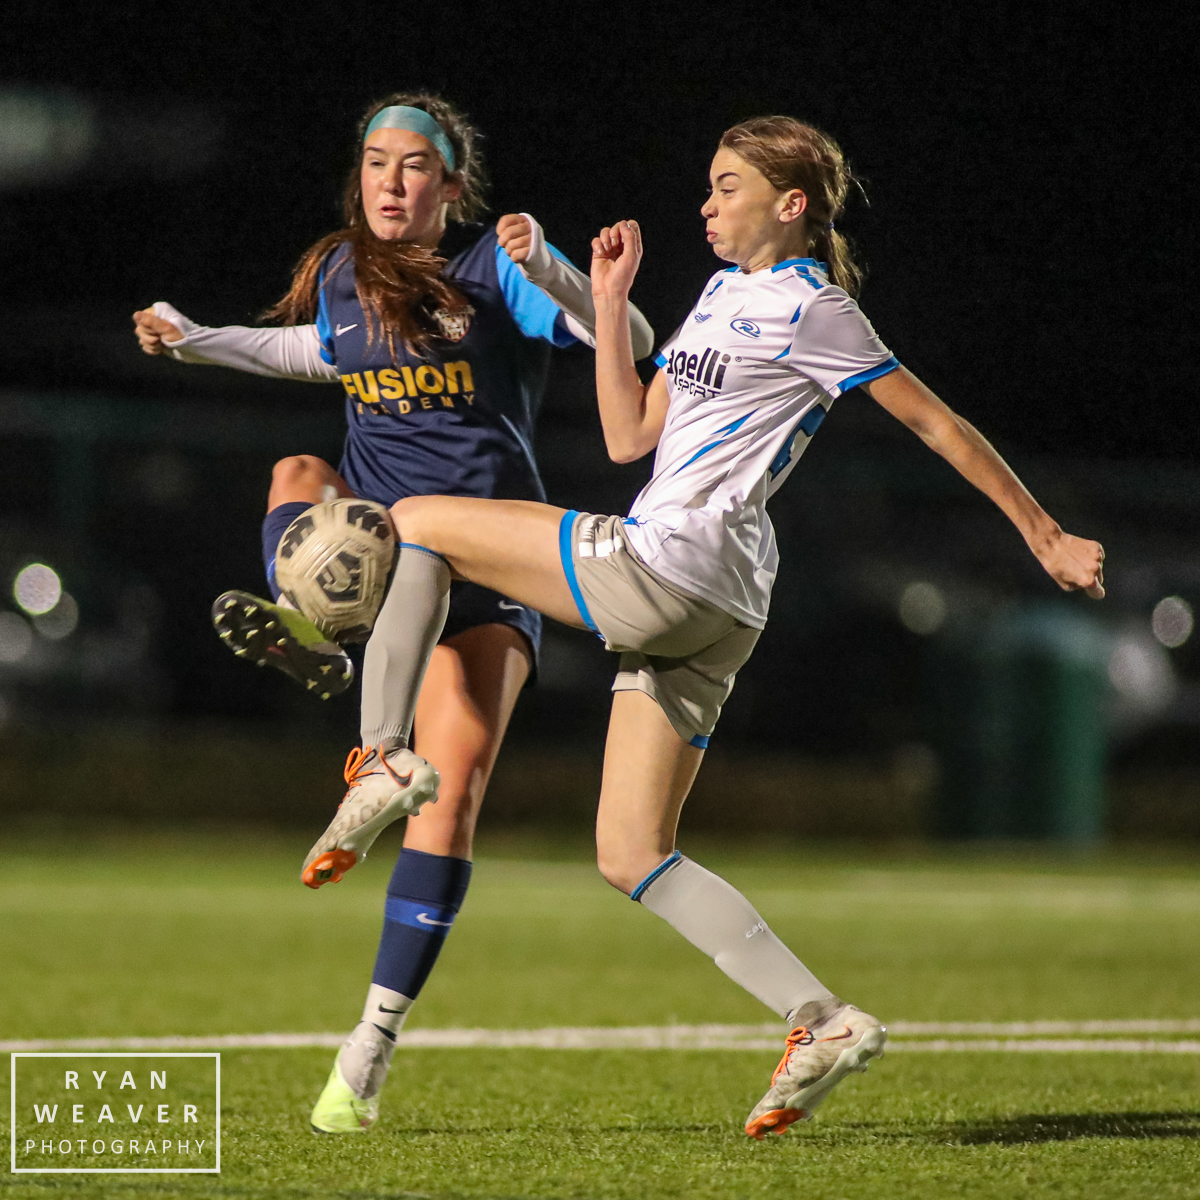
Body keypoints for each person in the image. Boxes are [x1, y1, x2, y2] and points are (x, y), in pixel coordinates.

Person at [304, 114, 1106, 1138]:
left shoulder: (817, 309)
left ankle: (378, 755)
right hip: (720, 603)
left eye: (727, 187)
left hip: (674, 564)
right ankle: (820, 1020)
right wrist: (598, 300)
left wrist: (1041, 533)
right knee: (631, 851)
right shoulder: (722, 295)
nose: (707, 205)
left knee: (414, 523)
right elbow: (629, 431)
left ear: (792, 206)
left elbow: (936, 422)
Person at [131, 91, 655, 1134]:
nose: (390, 181)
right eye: (376, 162)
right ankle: (325, 640)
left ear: (451, 187)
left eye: (414, 166)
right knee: (298, 470)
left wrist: (552, 264)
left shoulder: (494, 268)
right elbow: (306, 356)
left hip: (489, 564)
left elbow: (628, 333)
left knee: (449, 798)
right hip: (379, 547)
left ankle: (370, 1039)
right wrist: (195, 340)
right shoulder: (340, 272)